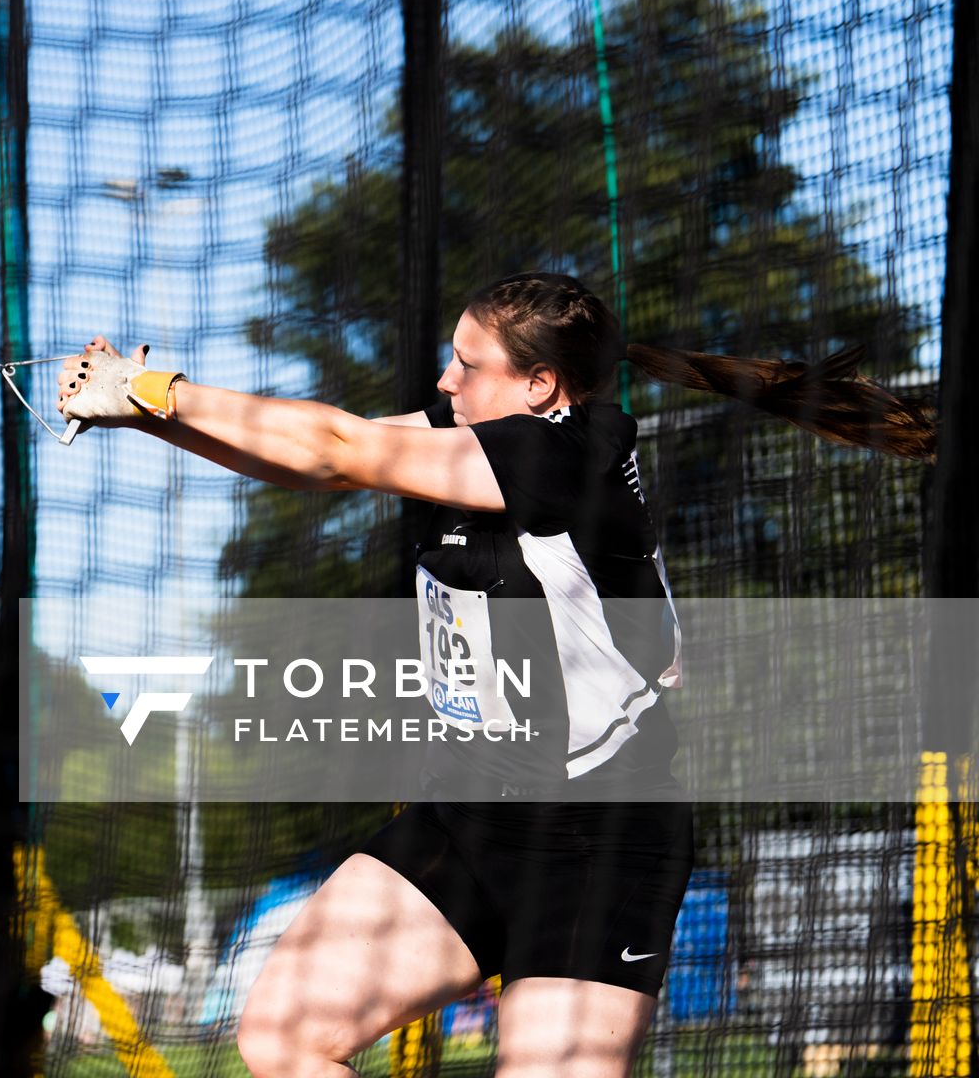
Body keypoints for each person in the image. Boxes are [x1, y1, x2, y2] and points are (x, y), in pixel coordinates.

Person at [56, 272, 933, 1078]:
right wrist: (156, 418)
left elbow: (335, 445)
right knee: (284, 1036)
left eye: (468, 364)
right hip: (466, 818)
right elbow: (313, 460)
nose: (445, 380)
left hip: (598, 839)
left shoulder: (565, 458)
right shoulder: (472, 434)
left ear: (541, 387)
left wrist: (156, 387)